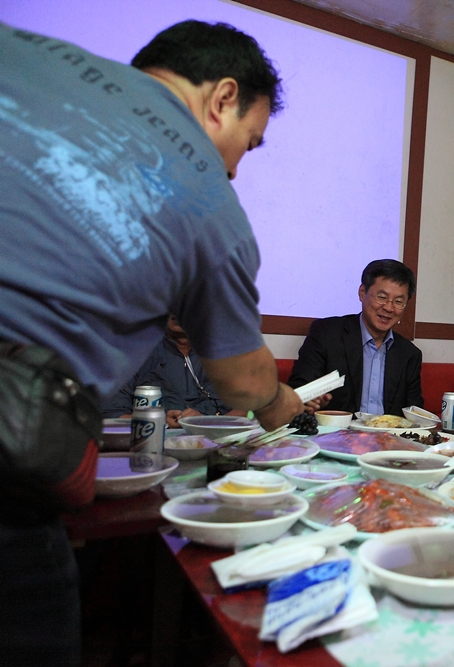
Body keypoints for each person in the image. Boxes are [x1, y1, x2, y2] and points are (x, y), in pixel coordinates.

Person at [0, 20, 305, 665]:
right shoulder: (209, 200)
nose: (235, 169)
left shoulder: (23, 50)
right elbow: (243, 383)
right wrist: (286, 406)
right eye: (248, 144)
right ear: (223, 98)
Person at [287, 259, 423, 416]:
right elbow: (298, 392)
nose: (389, 307)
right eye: (381, 297)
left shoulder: (409, 354)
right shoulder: (326, 334)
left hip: (389, 432)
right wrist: (312, 402)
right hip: (338, 430)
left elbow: (415, 413)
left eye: (398, 302)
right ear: (362, 292)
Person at [101, 316, 246, 428]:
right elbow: (112, 413)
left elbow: (242, 408)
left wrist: (205, 423)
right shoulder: (135, 352)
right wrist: (158, 422)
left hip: (213, 442)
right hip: (153, 441)